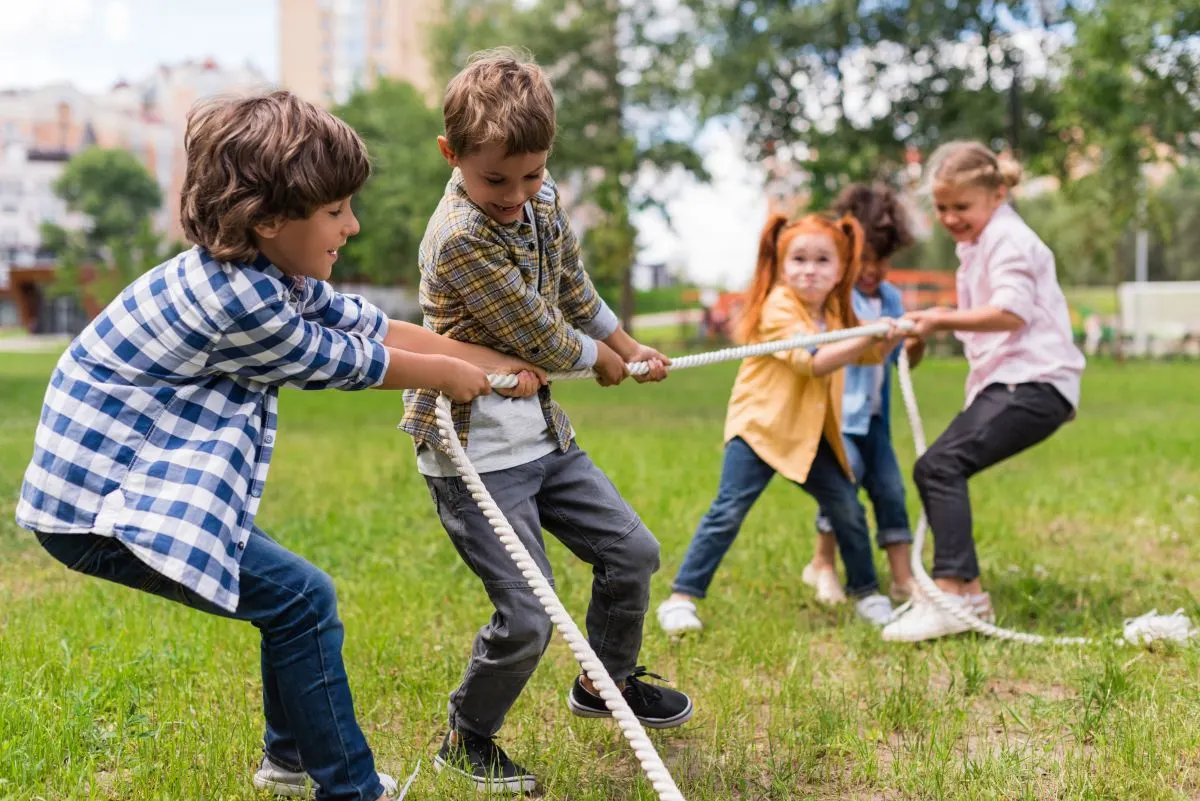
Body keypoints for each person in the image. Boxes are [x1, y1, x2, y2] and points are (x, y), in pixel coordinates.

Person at [14, 90, 542, 801]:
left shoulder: (267, 272)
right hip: (97, 506)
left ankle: (289, 763)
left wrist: (487, 362)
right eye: (334, 211)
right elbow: (346, 361)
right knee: (301, 599)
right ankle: (349, 788)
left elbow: (371, 326)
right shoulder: (235, 300)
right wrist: (451, 374)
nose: (352, 225)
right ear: (265, 218)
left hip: (139, 484)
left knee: (288, 601)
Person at [398, 48, 693, 794]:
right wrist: (596, 357)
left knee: (632, 552)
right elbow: (540, 333)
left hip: (541, 439)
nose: (515, 194)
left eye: (531, 175)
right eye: (496, 178)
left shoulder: (542, 198)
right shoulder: (459, 236)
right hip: (473, 454)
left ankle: (606, 682)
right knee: (528, 615)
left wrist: (627, 344)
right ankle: (466, 739)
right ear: (452, 155)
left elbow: (569, 284)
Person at [655, 211, 907, 638]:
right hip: (760, 430)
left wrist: (894, 333)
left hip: (809, 433)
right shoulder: (779, 305)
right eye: (799, 260)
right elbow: (815, 363)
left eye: (823, 261)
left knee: (846, 504)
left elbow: (867, 354)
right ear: (781, 264)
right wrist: (867, 336)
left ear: (842, 267)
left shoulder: (835, 310)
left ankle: (867, 592)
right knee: (729, 510)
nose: (810, 270)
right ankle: (681, 598)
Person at [883, 141, 1085, 643]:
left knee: (940, 465)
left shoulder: (1008, 240)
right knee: (940, 465)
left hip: (1034, 385)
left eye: (962, 207)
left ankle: (954, 592)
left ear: (997, 194)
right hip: (1019, 383)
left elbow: (1010, 312)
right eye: (943, 207)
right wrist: (923, 336)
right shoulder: (980, 242)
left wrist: (937, 317)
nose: (951, 218)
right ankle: (967, 593)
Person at [805, 183, 924, 606]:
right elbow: (829, 354)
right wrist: (875, 340)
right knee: (842, 490)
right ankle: (822, 564)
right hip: (840, 420)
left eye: (882, 260)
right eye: (865, 260)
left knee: (891, 491)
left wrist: (913, 341)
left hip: (874, 420)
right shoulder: (836, 298)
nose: (873, 269)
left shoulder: (890, 297)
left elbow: (894, 362)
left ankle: (903, 578)